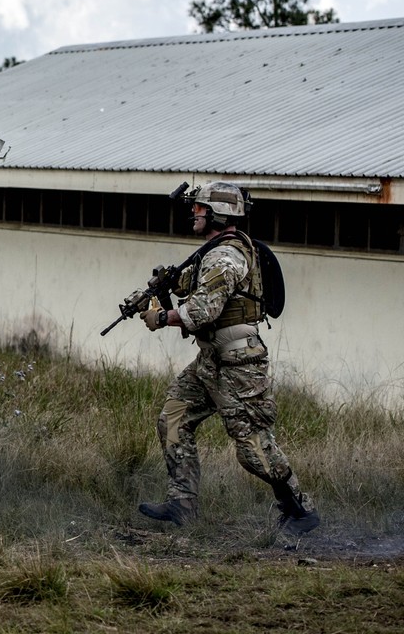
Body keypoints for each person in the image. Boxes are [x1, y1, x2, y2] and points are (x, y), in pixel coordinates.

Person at [137, 181, 319, 534]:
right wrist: (159, 289)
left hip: (239, 365)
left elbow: (203, 310)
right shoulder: (212, 253)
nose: (194, 213)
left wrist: (161, 318)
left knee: (253, 446)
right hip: (211, 360)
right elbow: (190, 285)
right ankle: (182, 505)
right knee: (174, 417)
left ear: (218, 214)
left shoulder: (225, 257)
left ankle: (301, 511)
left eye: (200, 208)